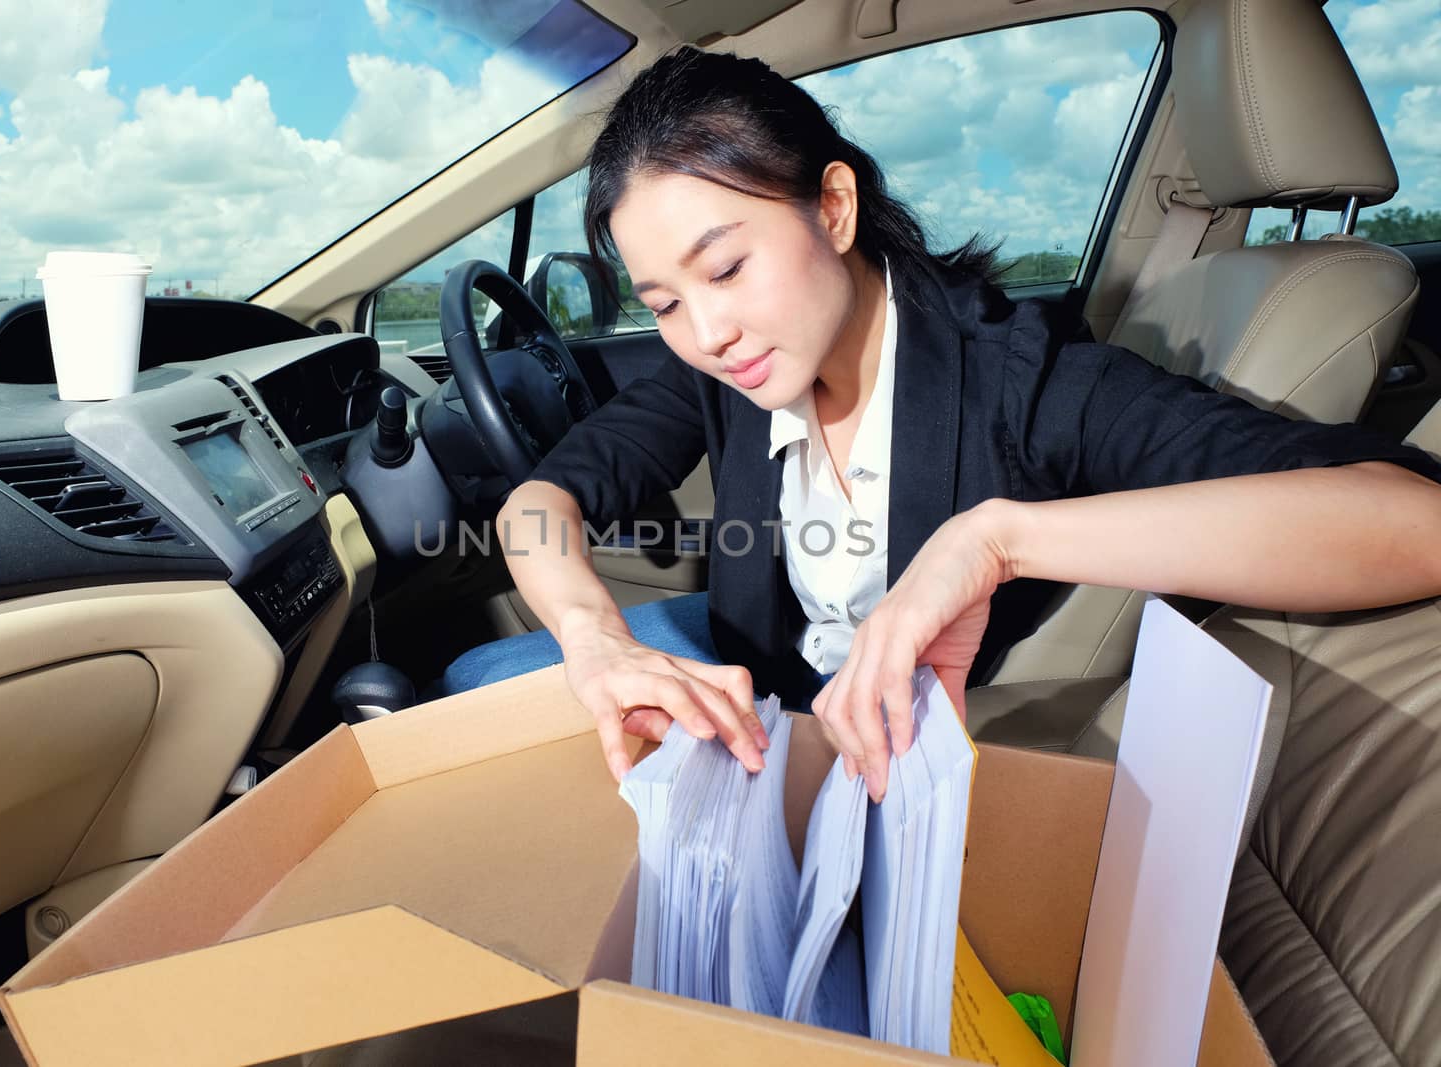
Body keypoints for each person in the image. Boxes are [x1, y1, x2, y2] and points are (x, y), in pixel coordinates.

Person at [439, 47, 1441, 802]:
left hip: (885, 747)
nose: (704, 332)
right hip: (764, 689)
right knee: (477, 677)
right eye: (661, 302)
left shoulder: (1024, 377)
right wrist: (591, 636)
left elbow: (1411, 522)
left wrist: (998, 538)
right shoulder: (721, 370)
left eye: (728, 266)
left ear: (832, 207)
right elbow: (540, 502)